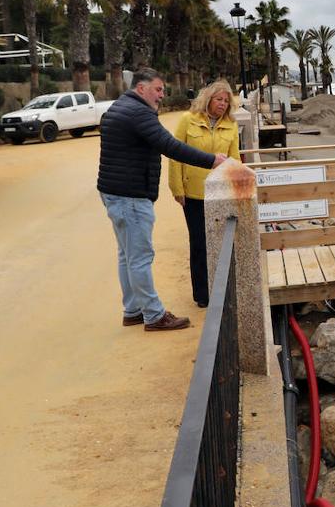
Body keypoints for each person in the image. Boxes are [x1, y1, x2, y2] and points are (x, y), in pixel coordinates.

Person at [97, 68, 250, 331]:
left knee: (127, 255)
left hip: (116, 192)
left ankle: (133, 309)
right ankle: (154, 316)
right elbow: (169, 146)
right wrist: (211, 160)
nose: (162, 95)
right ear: (142, 88)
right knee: (139, 257)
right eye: (158, 89)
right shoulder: (139, 112)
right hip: (131, 196)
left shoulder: (120, 106)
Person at [168, 80, 241, 307]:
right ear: (208, 99)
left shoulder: (231, 125)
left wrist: (237, 188)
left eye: (226, 101)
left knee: (221, 242)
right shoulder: (187, 120)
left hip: (220, 193)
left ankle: (221, 289)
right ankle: (202, 294)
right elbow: (174, 154)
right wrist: (177, 188)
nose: (222, 104)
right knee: (199, 243)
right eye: (219, 99)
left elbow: (235, 159)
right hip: (194, 194)